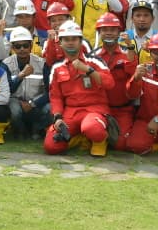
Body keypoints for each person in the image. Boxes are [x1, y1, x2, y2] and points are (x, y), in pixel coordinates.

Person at [44, 21, 113, 157]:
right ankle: (81, 138)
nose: (70, 43)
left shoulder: (95, 61)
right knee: (51, 146)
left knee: (92, 128)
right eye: (67, 39)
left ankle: (99, 140)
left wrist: (88, 70)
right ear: (60, 42)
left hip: (95, 110)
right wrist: (57, 118)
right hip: (71, 113)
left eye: (74, 39)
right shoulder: (57, 68)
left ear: (81, 41)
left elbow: (110, 84)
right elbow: (55, 97)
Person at [91, 12, 136, 150]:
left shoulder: (128, 53)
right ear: (99, 32)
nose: (109, 33)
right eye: (105, 30)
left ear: (119, 32)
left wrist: (130, 48)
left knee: (121, 145)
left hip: (123, 109)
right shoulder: (93, 56)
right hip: (100, 108)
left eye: (113, 30)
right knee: (92, 133)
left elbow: (134, 77)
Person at [2, 27, 49, 140]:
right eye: (18, 46)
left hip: (35, 100)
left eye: (25, 45)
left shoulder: (42, 64)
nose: (22, 49)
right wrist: (21, 75)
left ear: (31, 46)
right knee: (14, 111)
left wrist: (32, 103)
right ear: (13, 48)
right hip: (15, 100)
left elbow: (50, 91)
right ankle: (19, 131)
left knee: (50, 108)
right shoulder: (6, 64)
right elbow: (7, 90)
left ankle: (36, 129)